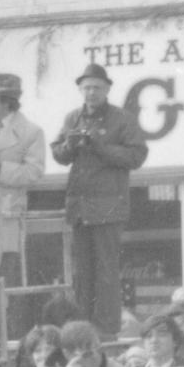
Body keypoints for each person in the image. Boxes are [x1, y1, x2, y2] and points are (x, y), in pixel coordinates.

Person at [48, 65, 145, 331]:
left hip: (108, 206)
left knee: (106, 270)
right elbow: (58, 153)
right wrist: (70, 145)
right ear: (80, 89)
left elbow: (136, 156)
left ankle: (106, 328)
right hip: (80, 206)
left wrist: (99, 147)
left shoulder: (123, 119)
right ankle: (83, 326)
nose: (91, 93)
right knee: (82, 271)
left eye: (97, 88)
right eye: (87, 87)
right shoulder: (73, 118)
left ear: (107, 89)